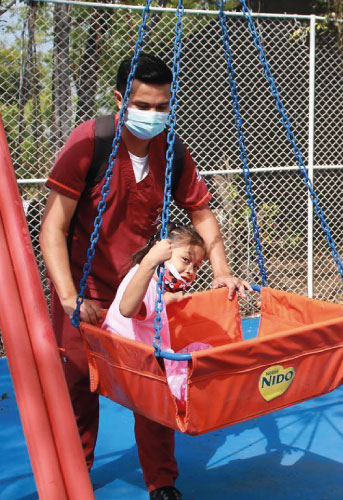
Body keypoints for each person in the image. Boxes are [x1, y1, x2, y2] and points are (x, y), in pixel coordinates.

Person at [40, 53, 248, 500]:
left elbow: (203, 214)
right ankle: (75, 476)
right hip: (87, 289)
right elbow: (52, 228)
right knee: (79, 386)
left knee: (158, 383)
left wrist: (222, 271)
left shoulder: (169, 150)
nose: (154, 116)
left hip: (137, 287)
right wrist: (70, 296)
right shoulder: (92, 142)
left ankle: (162, 481)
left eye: (163, 106)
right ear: (121, 100)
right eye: (145, 105)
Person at [103, 224, 211, 405]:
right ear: (160, 254)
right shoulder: (143, 279)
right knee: (195, 388)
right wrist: (150, 261)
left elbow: (150, 306)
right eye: (186, 259)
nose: (191, 270)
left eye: (196, 266)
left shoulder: (150, 282)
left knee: (203, 350)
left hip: (153, 362)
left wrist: (171, 298)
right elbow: (127, 309)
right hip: (144, 371)